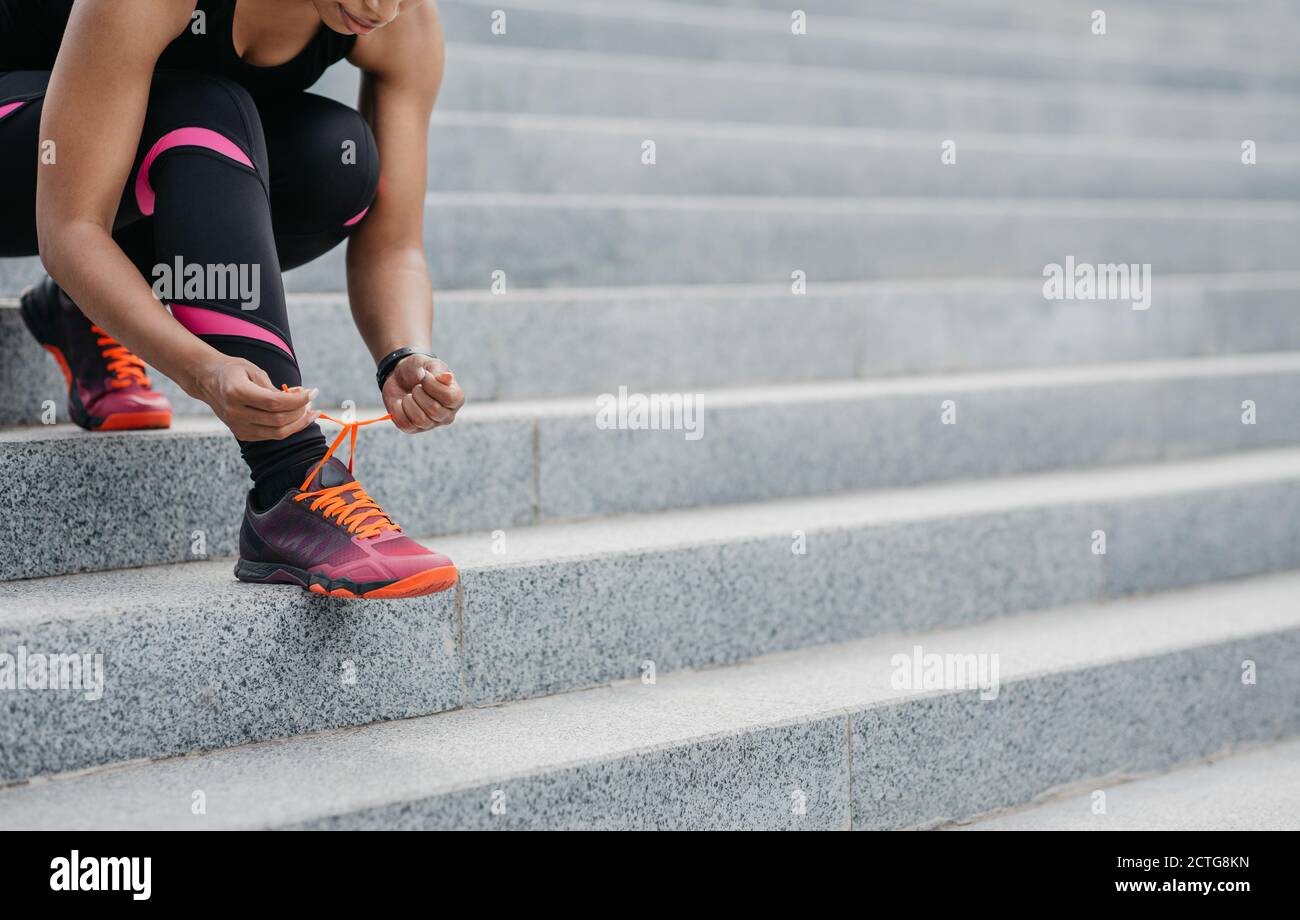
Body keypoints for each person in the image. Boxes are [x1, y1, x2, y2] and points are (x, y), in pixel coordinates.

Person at [0, 0, 463, 598]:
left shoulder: (405, 21)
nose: (382, 7)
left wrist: (404, 354)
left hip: (133, 151)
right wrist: (204, 371)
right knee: (207, 109)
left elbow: (395, 246)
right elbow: (69, 227)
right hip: (26, 150)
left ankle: (79, 306)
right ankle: (290, 480)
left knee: (338, 158)